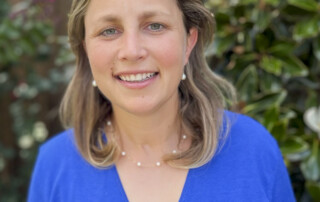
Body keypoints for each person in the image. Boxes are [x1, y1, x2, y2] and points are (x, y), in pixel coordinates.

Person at [28, 0, 295, 201]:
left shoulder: (253, 150)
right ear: (86, 49)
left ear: (189, 42)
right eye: (109, 30)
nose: (132, 51)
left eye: (155, 26)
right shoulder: (55, 165)